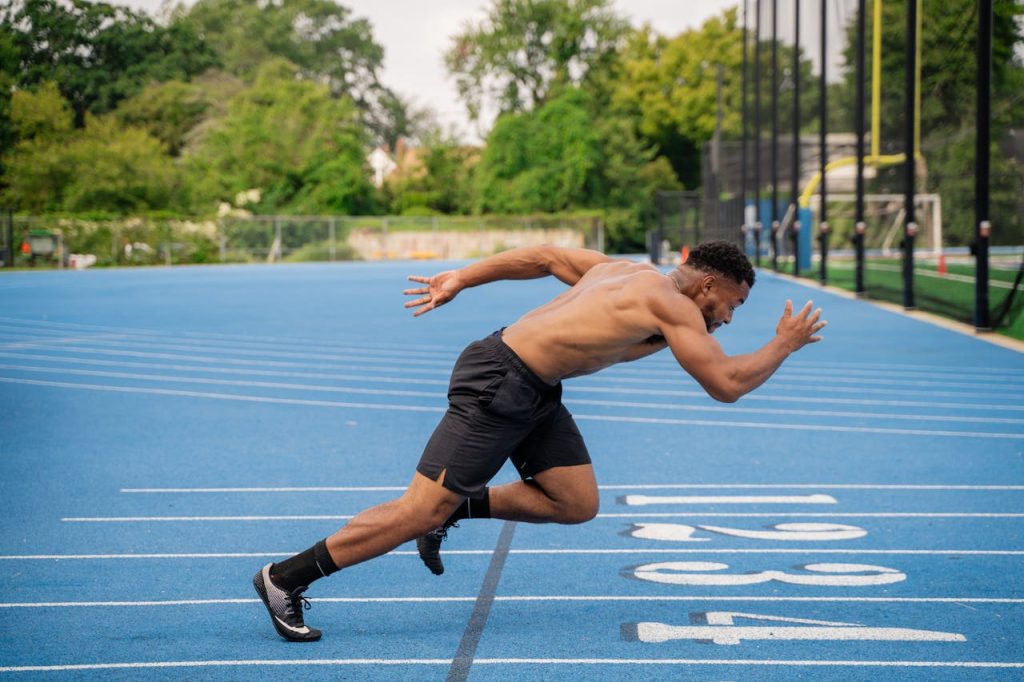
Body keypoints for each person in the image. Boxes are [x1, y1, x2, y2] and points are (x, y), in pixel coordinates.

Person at [253, 240, 826, 642]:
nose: (729, 316)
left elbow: (547, 256)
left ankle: (456, 509)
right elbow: (725, 384)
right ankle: (285, 578)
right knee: (416, 510)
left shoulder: (622, 270)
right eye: (733, 303)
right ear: (707, 284)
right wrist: (784, 344)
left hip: (534, 387)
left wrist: (462, 276)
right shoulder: (672, 305)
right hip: (501, 380)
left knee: (574, 503)